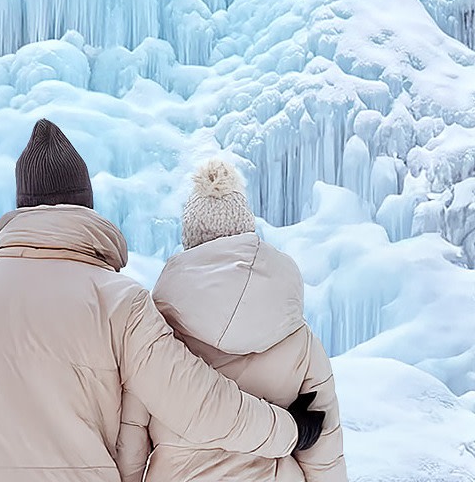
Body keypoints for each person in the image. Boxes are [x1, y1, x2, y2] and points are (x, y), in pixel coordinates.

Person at [0, 120, 326, 482]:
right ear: (85, 203)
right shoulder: (119, 303)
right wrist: (286, 430)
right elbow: (195, 403)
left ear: (20, 207)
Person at [117, 159, 347, 482]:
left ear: (190, 241)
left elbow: (132, 442)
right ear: (247, 233)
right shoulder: (300, 340)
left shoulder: (156, 336)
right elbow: (325, 456)